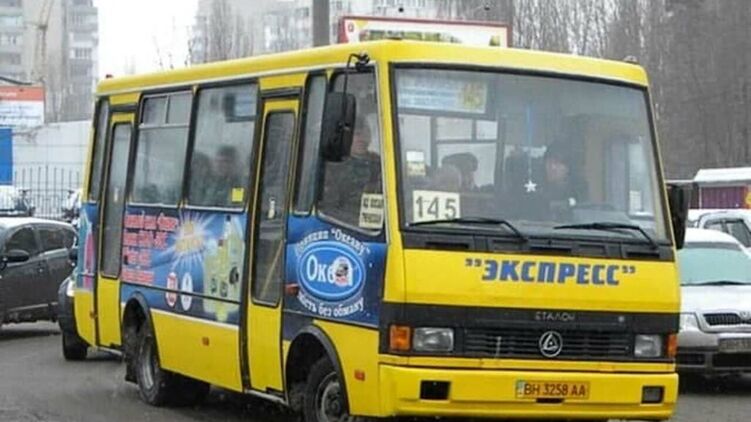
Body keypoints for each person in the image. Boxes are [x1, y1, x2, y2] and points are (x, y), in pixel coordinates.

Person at [319, 115, 382, 225]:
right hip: (348, 226)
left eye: (365, 132)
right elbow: (328, 209)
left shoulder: (380, 163)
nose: (361, 138)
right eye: (357, 134)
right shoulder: (334, 166)